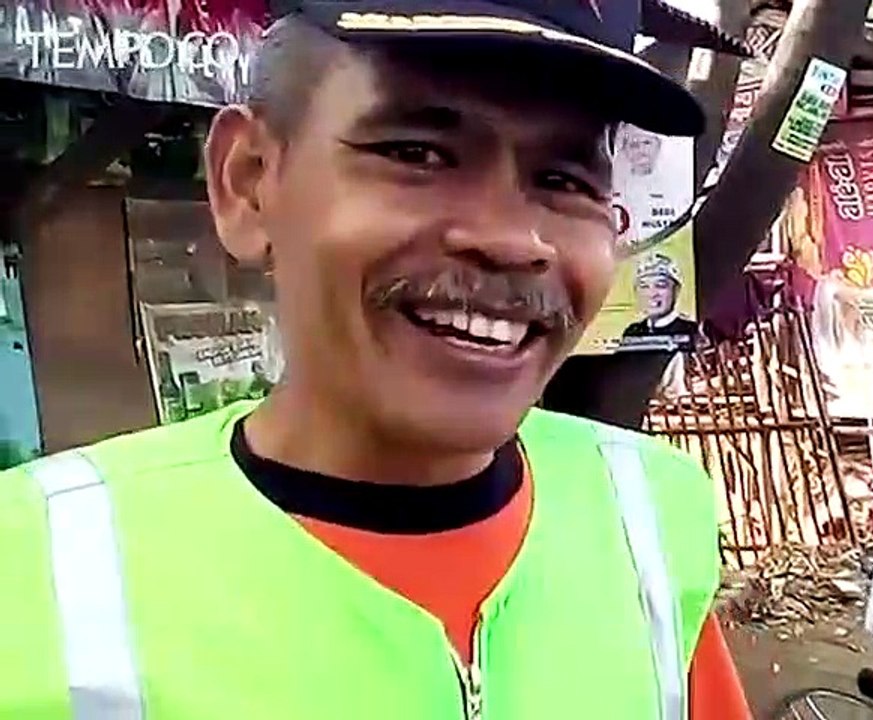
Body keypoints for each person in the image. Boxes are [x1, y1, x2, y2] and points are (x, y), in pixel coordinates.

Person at [0, 2, 753, 718]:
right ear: (249, 182)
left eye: (564, 180)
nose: (513, 240)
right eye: (416, 153)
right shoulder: (35, 577)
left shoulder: (646, 522)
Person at [623, 252, 698, 344]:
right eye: (644, 286)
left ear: (676, 290)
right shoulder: (633, 333)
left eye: (660, 285)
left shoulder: (692, 332)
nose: (652, 294)